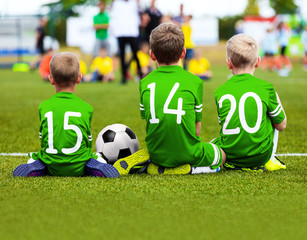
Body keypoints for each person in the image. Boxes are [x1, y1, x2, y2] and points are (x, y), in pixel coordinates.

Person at [113, 23, 226, 175]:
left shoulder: (145, 82)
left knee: (161, 146)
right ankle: (194, 168)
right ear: (183, 53)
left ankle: (155, 164)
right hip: (188, 152)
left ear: (152, 54)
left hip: (157, 153)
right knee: (222, 154)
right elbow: (197, 131)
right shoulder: (195, 81)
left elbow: (150, 122)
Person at [13, 52, 119, 178]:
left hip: (51, 164)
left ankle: (39, 164)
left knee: (38, 156)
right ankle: (91, 165)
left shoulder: (44, 106)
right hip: (79, 166)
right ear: (79, 78)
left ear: (51, 79)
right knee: (94, 156)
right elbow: (87, 141)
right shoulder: (86, 108)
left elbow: (43, 138)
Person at [213, 33, 287, 172]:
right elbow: (281, 126)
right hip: (260, 157)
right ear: (258, 61)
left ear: (228, 63)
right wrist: (276, 97)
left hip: (230, 156)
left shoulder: (220, 91)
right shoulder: (266, 88)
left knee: (212, 144)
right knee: (273, 107)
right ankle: (270, 159)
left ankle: (216, 162)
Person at [109, 0, 142, 84]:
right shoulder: (116, 3)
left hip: (132, 32)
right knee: (122, 56)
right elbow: (112, 13)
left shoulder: (134, 3)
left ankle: (140, 74)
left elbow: (139, 12)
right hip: (121, 32)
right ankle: (123, 77)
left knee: (135, 54)